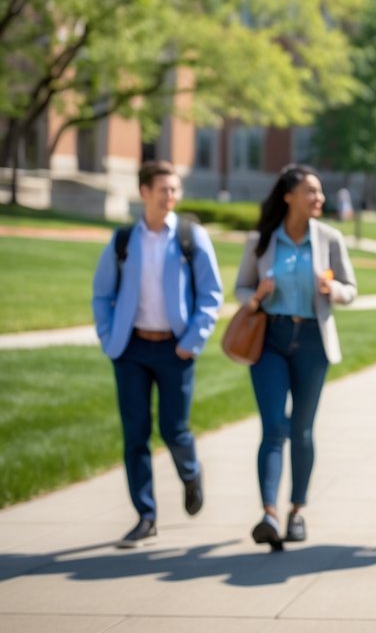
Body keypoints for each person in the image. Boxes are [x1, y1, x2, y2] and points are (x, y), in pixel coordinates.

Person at [91, 160, 224, 548]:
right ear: (144, 192)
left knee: (174, 428)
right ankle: (145, 515)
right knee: (135, 433)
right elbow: (102, 295)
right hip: (131, 349)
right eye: (164, 189)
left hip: (175, 349)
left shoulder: (189, 237)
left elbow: (211, 295)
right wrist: (108, 336)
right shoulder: (121, 242)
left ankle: (190, 472)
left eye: (175, 189)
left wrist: (192, 341)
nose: (171, 196)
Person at [235, 164, 357, 551]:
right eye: (311, 191)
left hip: (312, 341)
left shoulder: (330, 238)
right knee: (273, 428)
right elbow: (241, 287)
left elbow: (351, 289)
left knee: (302, 430)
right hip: (270, 338)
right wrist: (256, 296)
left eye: (320, 192)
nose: (319, 198)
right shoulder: (262, 240)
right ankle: (269, 514)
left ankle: (297, 511)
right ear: (289, 195)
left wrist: (333, 288)